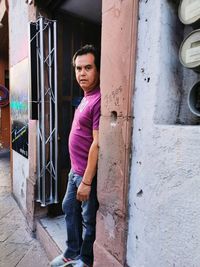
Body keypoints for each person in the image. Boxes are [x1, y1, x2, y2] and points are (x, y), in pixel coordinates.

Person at [51, 44, 101, 267]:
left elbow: (97, 143)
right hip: (75, 170)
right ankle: (72, 252)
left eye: (88, 67)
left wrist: (87, 181)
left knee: (89, 220)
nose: (82, 73)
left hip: (85, 175)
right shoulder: (85, 97)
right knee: (68, 207)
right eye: (78, 68)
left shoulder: (99, 100)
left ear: (98, 70)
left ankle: (86, 260)